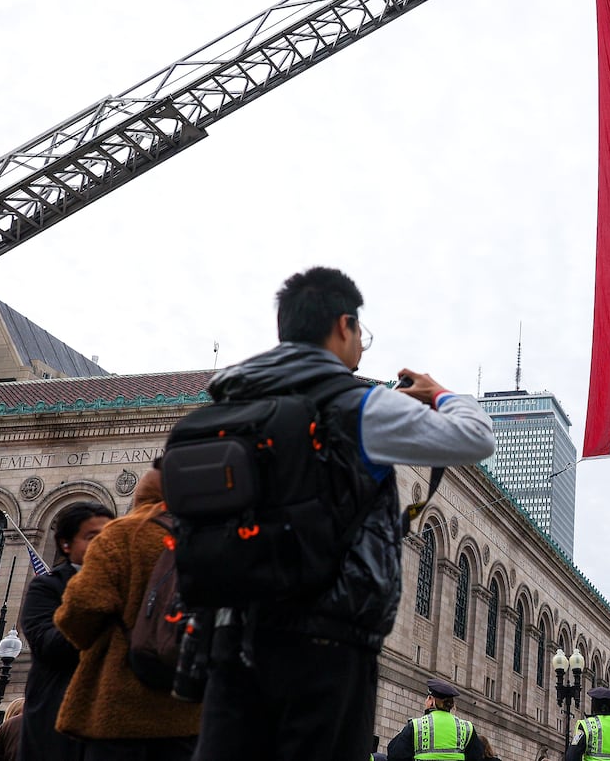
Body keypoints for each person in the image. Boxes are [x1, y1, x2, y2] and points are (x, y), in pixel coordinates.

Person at [193, 267, 495, 760]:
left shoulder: (229, 401)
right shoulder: (361, 407)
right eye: (360, 334)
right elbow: (476, 437)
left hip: (232, 635)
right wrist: (438, 392)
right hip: (327, 644)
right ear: (343, 326)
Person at [54, 466, 200, 760]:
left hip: (120, 708)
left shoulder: (121, 535)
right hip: (188, 706)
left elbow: (81, 607)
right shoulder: (208, 538)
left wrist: (94, 643)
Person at [18, 500, 115, 761]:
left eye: (108, 536)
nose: (102, 544)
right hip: (57, 712)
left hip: (111, 714)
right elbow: (49, 644)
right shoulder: (46, 588)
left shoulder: (124, 582)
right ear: (66, 544)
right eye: (92, 536)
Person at [386, 678, 488, 761]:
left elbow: (394, 754)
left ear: (431, 701)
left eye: (427, 698)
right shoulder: (467, 728)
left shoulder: (417, 725)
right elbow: (477, 756)